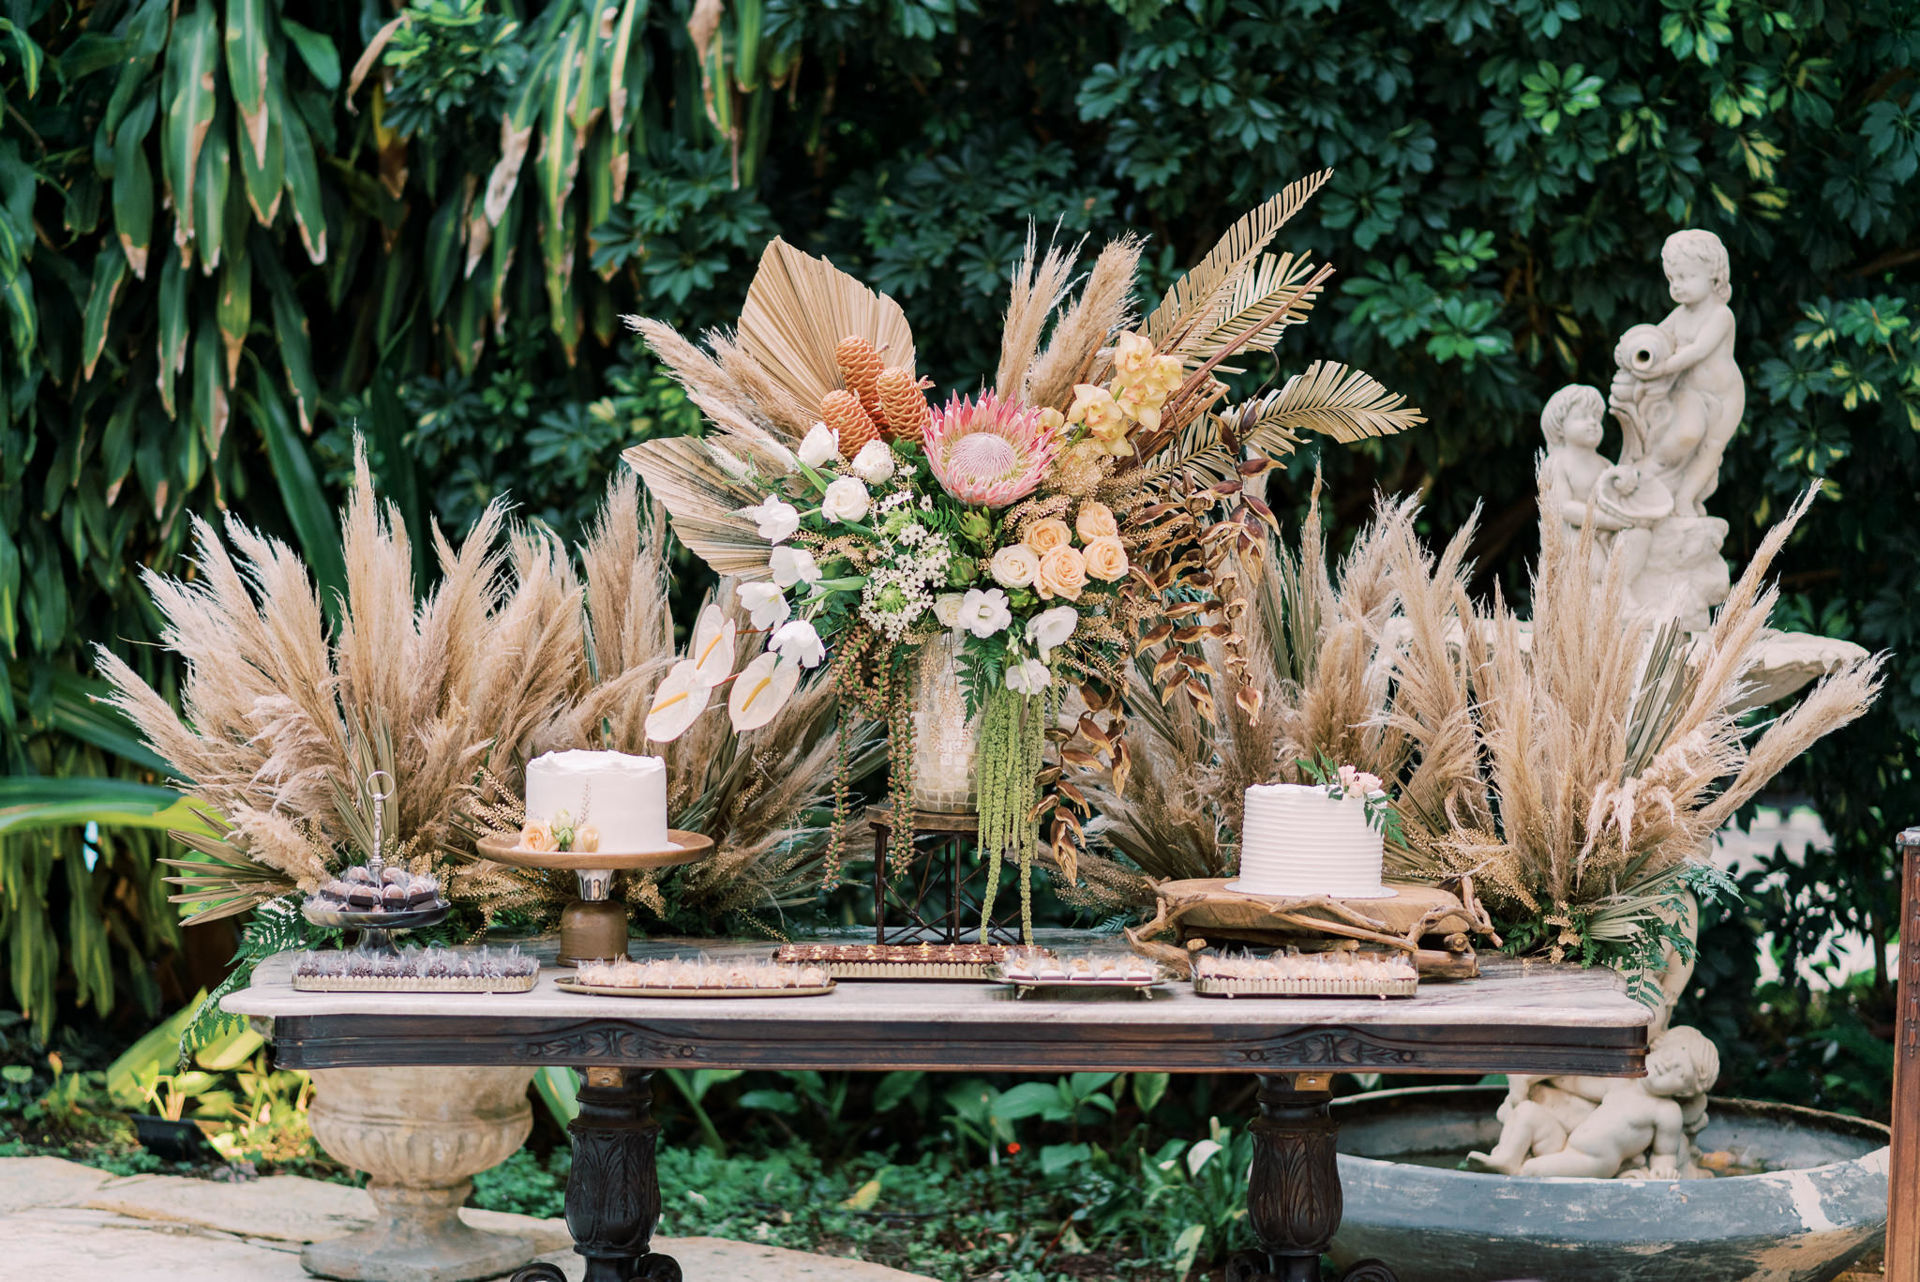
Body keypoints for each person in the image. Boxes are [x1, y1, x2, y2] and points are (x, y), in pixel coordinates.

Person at [1467, 1027, 1720, 1179]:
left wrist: (1663, 1170)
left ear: (1684, 1092)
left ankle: (1515, 1177)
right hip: (1567, 1142)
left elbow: (1664, 1153)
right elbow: (1576, 1083)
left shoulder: (1666, 1111)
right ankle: (1507, 1158)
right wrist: (1535, 1076)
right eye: (1670, 1055)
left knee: (1533, 1170)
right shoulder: (1621, 1080)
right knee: (1526, 1112)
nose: (1669, 1065)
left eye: (1680, 1073)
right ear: (1657, 1048)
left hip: (1596, 1161)